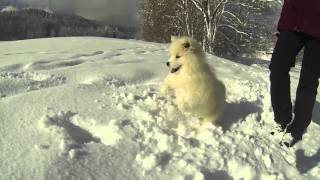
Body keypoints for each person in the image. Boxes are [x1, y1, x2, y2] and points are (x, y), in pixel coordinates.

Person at [269, 0, 320, 147]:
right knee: (277, 67)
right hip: (293, 18)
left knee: (309, 79)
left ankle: (297, 128)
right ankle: (282, 117)